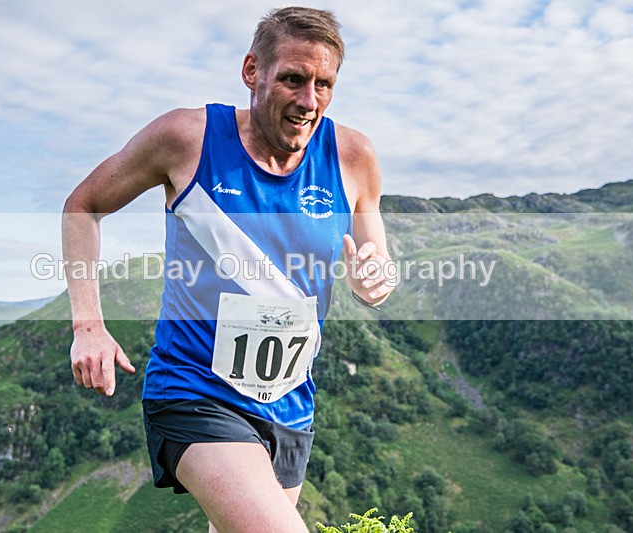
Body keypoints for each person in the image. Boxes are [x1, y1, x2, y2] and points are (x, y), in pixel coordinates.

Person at [62, 6, 393, 532]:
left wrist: (374, 280)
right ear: (252, 72)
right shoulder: (187, 137)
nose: (309, 101)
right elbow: (83, 205)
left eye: (324, 84)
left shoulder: (353, 155)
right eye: (292, 79)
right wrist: (88, 325)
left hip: (289, 403)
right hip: (193, 389)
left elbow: (377, 269)